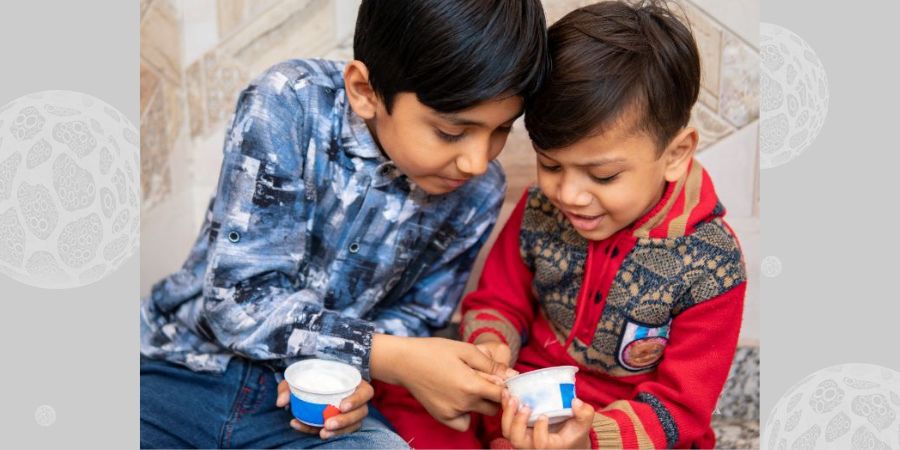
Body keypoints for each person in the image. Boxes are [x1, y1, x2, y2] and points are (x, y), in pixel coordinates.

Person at [139, 0, 549, 448]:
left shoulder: (479, 190)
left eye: (501, 130)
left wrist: (355, 374)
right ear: (365, 90)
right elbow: (238, 302)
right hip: (181, 366)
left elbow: (416, 316)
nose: (476, 161)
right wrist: (391, 358)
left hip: (324, 405)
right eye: (451, 132)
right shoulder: (287, 103)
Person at [457, 2, 747, 448]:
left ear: (675, 154)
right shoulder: (540, 208)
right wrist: (492, 349)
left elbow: (680, 408)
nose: (569, 194)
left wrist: (589, 442)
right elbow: (498, 301)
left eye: (603, 175)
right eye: (550, 164)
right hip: (523, 409)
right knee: (415, 401)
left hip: (628, 435)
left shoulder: (712, 264)